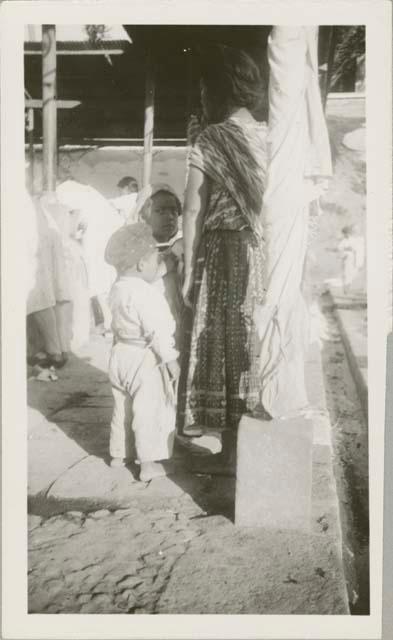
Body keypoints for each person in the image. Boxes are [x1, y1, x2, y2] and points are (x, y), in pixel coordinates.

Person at [180, 29, 332, 470]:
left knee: (222, 340)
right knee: (257, 339)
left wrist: (189, 267)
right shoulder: (273, 136)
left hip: (225, 252)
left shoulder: (210, 139)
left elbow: (192, 208)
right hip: (267, 251)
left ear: (215, 88)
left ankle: (230, 449)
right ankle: (261, 430)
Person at [107, 222, 180, 482]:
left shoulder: (117, 288)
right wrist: (170, 359)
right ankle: (148, 464)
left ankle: (119, 454)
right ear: (140, 265)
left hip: (120, 353)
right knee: (147, 409)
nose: (156, 267)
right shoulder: (146, 294)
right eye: (153, 262)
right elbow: (157, 330)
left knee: (122, 408)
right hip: (143, 357)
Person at [56, 179, 123, 335]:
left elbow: (76, 222)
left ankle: (108, 322)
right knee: (103, 283)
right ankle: (109, 322)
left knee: (96, 282)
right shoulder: (94, 198)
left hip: (96, 242)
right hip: (102, 241)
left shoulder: (71, 194)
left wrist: (76, 233)